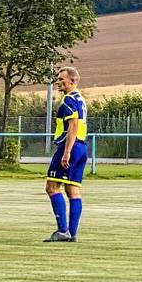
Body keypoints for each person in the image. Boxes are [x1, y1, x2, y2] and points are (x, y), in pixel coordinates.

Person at [43, 66, 88, 243]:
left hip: (69, 146)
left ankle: (63, 230)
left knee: (52, 187)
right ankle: (72, 233)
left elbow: (73, 125)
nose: (59, 82)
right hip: (82, 146)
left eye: (62, 79)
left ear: (72, 80)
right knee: (73, 190)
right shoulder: (80, 99)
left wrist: (66, 152)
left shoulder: (69, 100)